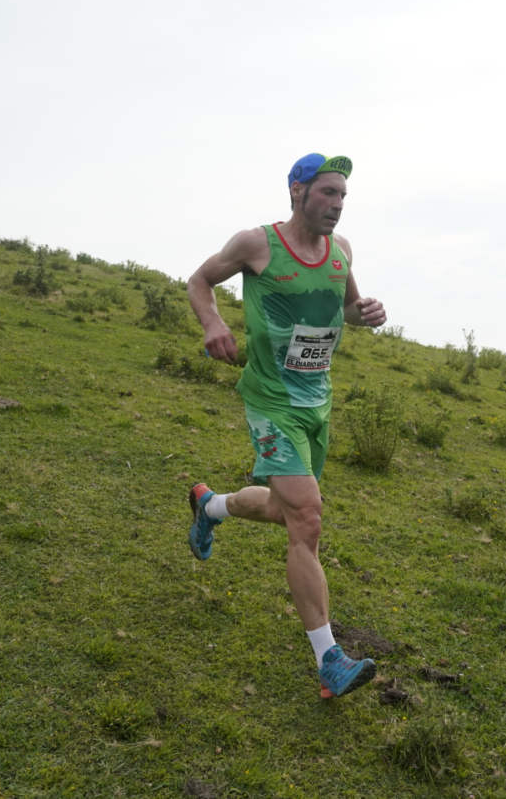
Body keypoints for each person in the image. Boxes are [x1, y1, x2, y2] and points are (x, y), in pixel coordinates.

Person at [184, 152, 387, 698]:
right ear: (297, 191)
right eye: (327, 193)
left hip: (316, 401)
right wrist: (213, 324)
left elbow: (344, 309)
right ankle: (330, 660)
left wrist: (364, 313)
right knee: (308, 517)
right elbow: (200, 280)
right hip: (271, 399)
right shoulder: (257, 244)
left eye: (343, 195)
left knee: (283, 509)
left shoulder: (341, 251)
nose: (338, 205)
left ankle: (211, 506)